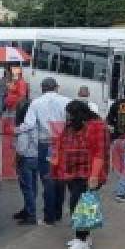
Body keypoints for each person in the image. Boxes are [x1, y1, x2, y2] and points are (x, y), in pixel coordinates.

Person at [52, 100, 108, 249]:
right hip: (72, 172)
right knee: (82, 205)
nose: (68, 118)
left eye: (71, 115)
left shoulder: (97, 126)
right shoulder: (71, 126)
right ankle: (84, 238)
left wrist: (94, 175)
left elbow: (100, 152)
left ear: (80, 114)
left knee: (79, 206)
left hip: (88, 173)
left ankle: (81, 239)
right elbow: (61, 142)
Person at [21, 77, 72, 226]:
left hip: (46, 145)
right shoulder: (67, 101)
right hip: (62, 145)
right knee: (61, 179)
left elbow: (29, 124)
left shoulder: (36, 103)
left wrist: (15, 130)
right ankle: (58, 213)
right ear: (57, 87)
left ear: (43, 88)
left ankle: (49, 217)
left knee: (48, 180)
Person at [12, 97, 40, 225]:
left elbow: (21, 149)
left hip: (26, 159)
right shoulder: (37, 124)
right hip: (36, 157)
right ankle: (27, 210)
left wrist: (15, 161)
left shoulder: (24, 127)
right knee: (32, 187)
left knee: (26, 187)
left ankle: (30, 214)